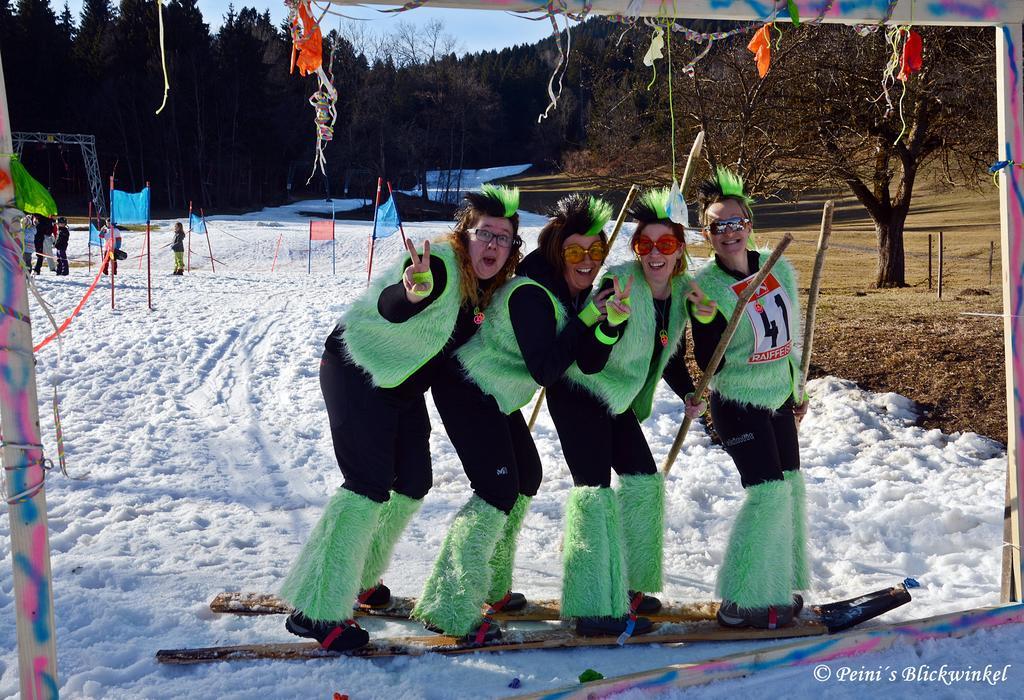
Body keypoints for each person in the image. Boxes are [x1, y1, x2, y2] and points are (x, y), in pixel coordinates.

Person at [279, 185, 523, 652]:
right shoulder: (442, 268)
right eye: (484, 233)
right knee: (366, 486)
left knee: (413, 481)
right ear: (464, 235)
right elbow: (396, 302)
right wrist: (410, 293)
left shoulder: (486, 287)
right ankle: (315, 607)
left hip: (402, 389)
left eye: (504, 237)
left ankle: (361, 576)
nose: (493, 245)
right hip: (357, 369)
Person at [412, 194, 621, 643]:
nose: (587, 262)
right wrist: (587, 317)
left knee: (527, 477)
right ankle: (447, 604)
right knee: (496, 490)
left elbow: (585, 361)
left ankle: (490, 586)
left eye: (596, 252)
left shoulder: (570, 291)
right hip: (467, 389)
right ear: (555, 252)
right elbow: (546, 369)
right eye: (575, 252)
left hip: (495, 397)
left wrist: (605, 324)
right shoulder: (532, 294)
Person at [548, 188, 711, 637]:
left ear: (680, 248)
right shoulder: (617, 283)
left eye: (665, 244)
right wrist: (611, 325)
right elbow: (589, 358)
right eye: (644, 245)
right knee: (594, 495)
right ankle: (591, 604)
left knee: (643, 482)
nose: (654, 255)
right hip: (581, 392)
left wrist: (687, 392)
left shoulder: (679, 292)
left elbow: (670, 357)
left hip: (617, 401)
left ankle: (630, 585)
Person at [688, 168, 809, 629]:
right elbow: (710, 363)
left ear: (749, 224)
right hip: (737, 402)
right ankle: (740, 598)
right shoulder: (706, 286)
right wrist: (707, 319)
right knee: (766, 495)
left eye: (736, 222)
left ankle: (775, 585)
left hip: (779, 398)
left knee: (790, 491)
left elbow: (790, 339)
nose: (729, 233)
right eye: (719, 225)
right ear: (707, 233)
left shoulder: (778, 267)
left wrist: (798, 389)